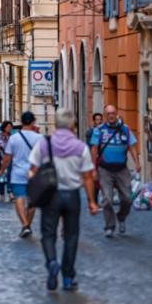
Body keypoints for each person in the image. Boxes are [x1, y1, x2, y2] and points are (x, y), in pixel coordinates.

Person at [28, 110, 99, 291]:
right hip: (72, 195)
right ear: (72, 126)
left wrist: (32, 188)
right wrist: (91, 201)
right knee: (71, 236)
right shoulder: (80, 147)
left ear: (56, 125)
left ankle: (52, 262)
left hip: (50, 196)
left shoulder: (45, 144)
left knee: (48, 233)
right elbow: (88, 176)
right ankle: (68, 276)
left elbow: (32, 169)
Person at [90, 104, 141, 237]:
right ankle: (109, 226)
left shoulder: (125, 129)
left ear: (116, 113)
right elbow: (94, 149)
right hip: (105, 169)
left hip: (121, 169)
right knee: (107, 199)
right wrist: (93, 169)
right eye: (108, 114)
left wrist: (137, 162)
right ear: (105, 115)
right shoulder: (99, 130)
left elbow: (132, 146)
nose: (111, 116)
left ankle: (121, 216)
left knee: (127, 199)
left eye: (113, 113)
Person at [0, 111, 43, 239]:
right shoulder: (39, 138)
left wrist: (2, 170)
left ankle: (25, 225)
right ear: (33, 122)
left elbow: (7, 158)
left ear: (22, 122)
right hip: (34, 173)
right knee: (32, 202)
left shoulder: (14, 138)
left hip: (17, 173)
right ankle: (27, 224)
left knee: (19, 199)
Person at [0, 121, 14, 201]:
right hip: (1, 159)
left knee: (10, 176)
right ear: (4, 127)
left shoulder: (12, 137)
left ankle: (10, 194)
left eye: (10, 127)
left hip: (10, 159)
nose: (9, 128)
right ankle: (2, 195)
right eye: (8, 127)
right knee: (2, 177)